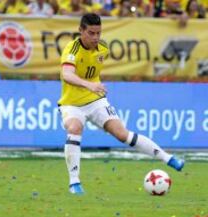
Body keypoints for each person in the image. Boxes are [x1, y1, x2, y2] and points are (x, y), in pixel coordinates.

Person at [58, 13, 185, 195]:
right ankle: (74, 183)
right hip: (72, 103)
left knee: (122, 134)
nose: (95, 38)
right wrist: (90, 85)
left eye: (98, 33)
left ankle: (169, 158)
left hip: (95, 100)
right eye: (91, 33)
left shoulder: (103, 48)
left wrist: (93, 88)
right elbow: (67, 75)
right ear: (81, 31)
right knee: (74, 127)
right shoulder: (72, 49)